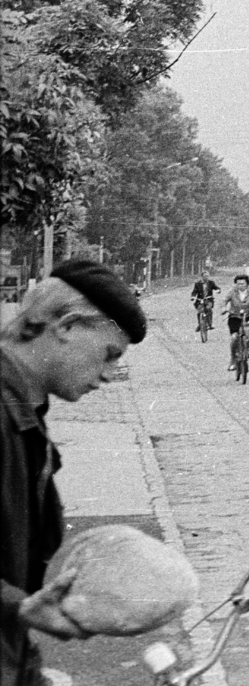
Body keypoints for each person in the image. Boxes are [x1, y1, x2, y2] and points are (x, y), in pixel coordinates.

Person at [2, 259, 147, 686]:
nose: (108, 375)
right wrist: (19, 605)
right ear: (66, 325)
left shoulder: (24, 410)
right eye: (109, 354)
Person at [221, 274, 249, 372]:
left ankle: (247, 350)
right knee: (234, 337)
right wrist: (224, 308)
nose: (240, 286)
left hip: (247, 315)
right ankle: (233, 359)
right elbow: (224, 300)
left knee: (248, 333)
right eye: (238, 284)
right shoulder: (232, 292)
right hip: (234, 317)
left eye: (242, 284)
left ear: (247, 284)